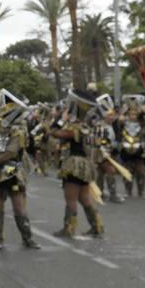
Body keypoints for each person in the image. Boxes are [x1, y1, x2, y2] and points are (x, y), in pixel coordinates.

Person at [0, 100, 39, 250]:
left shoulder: (17, 134)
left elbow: (10, 152)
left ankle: (27, 238)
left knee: (19, 207)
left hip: (13, 173)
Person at [52, 100, 104, 238]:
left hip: (74, 165)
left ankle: (69, 228)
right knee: (84, 198)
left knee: (71, 198)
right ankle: (97, 226)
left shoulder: (76, 127)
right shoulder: (86, 126)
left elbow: (55, 133)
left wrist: (61, 120)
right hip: (84, 165)